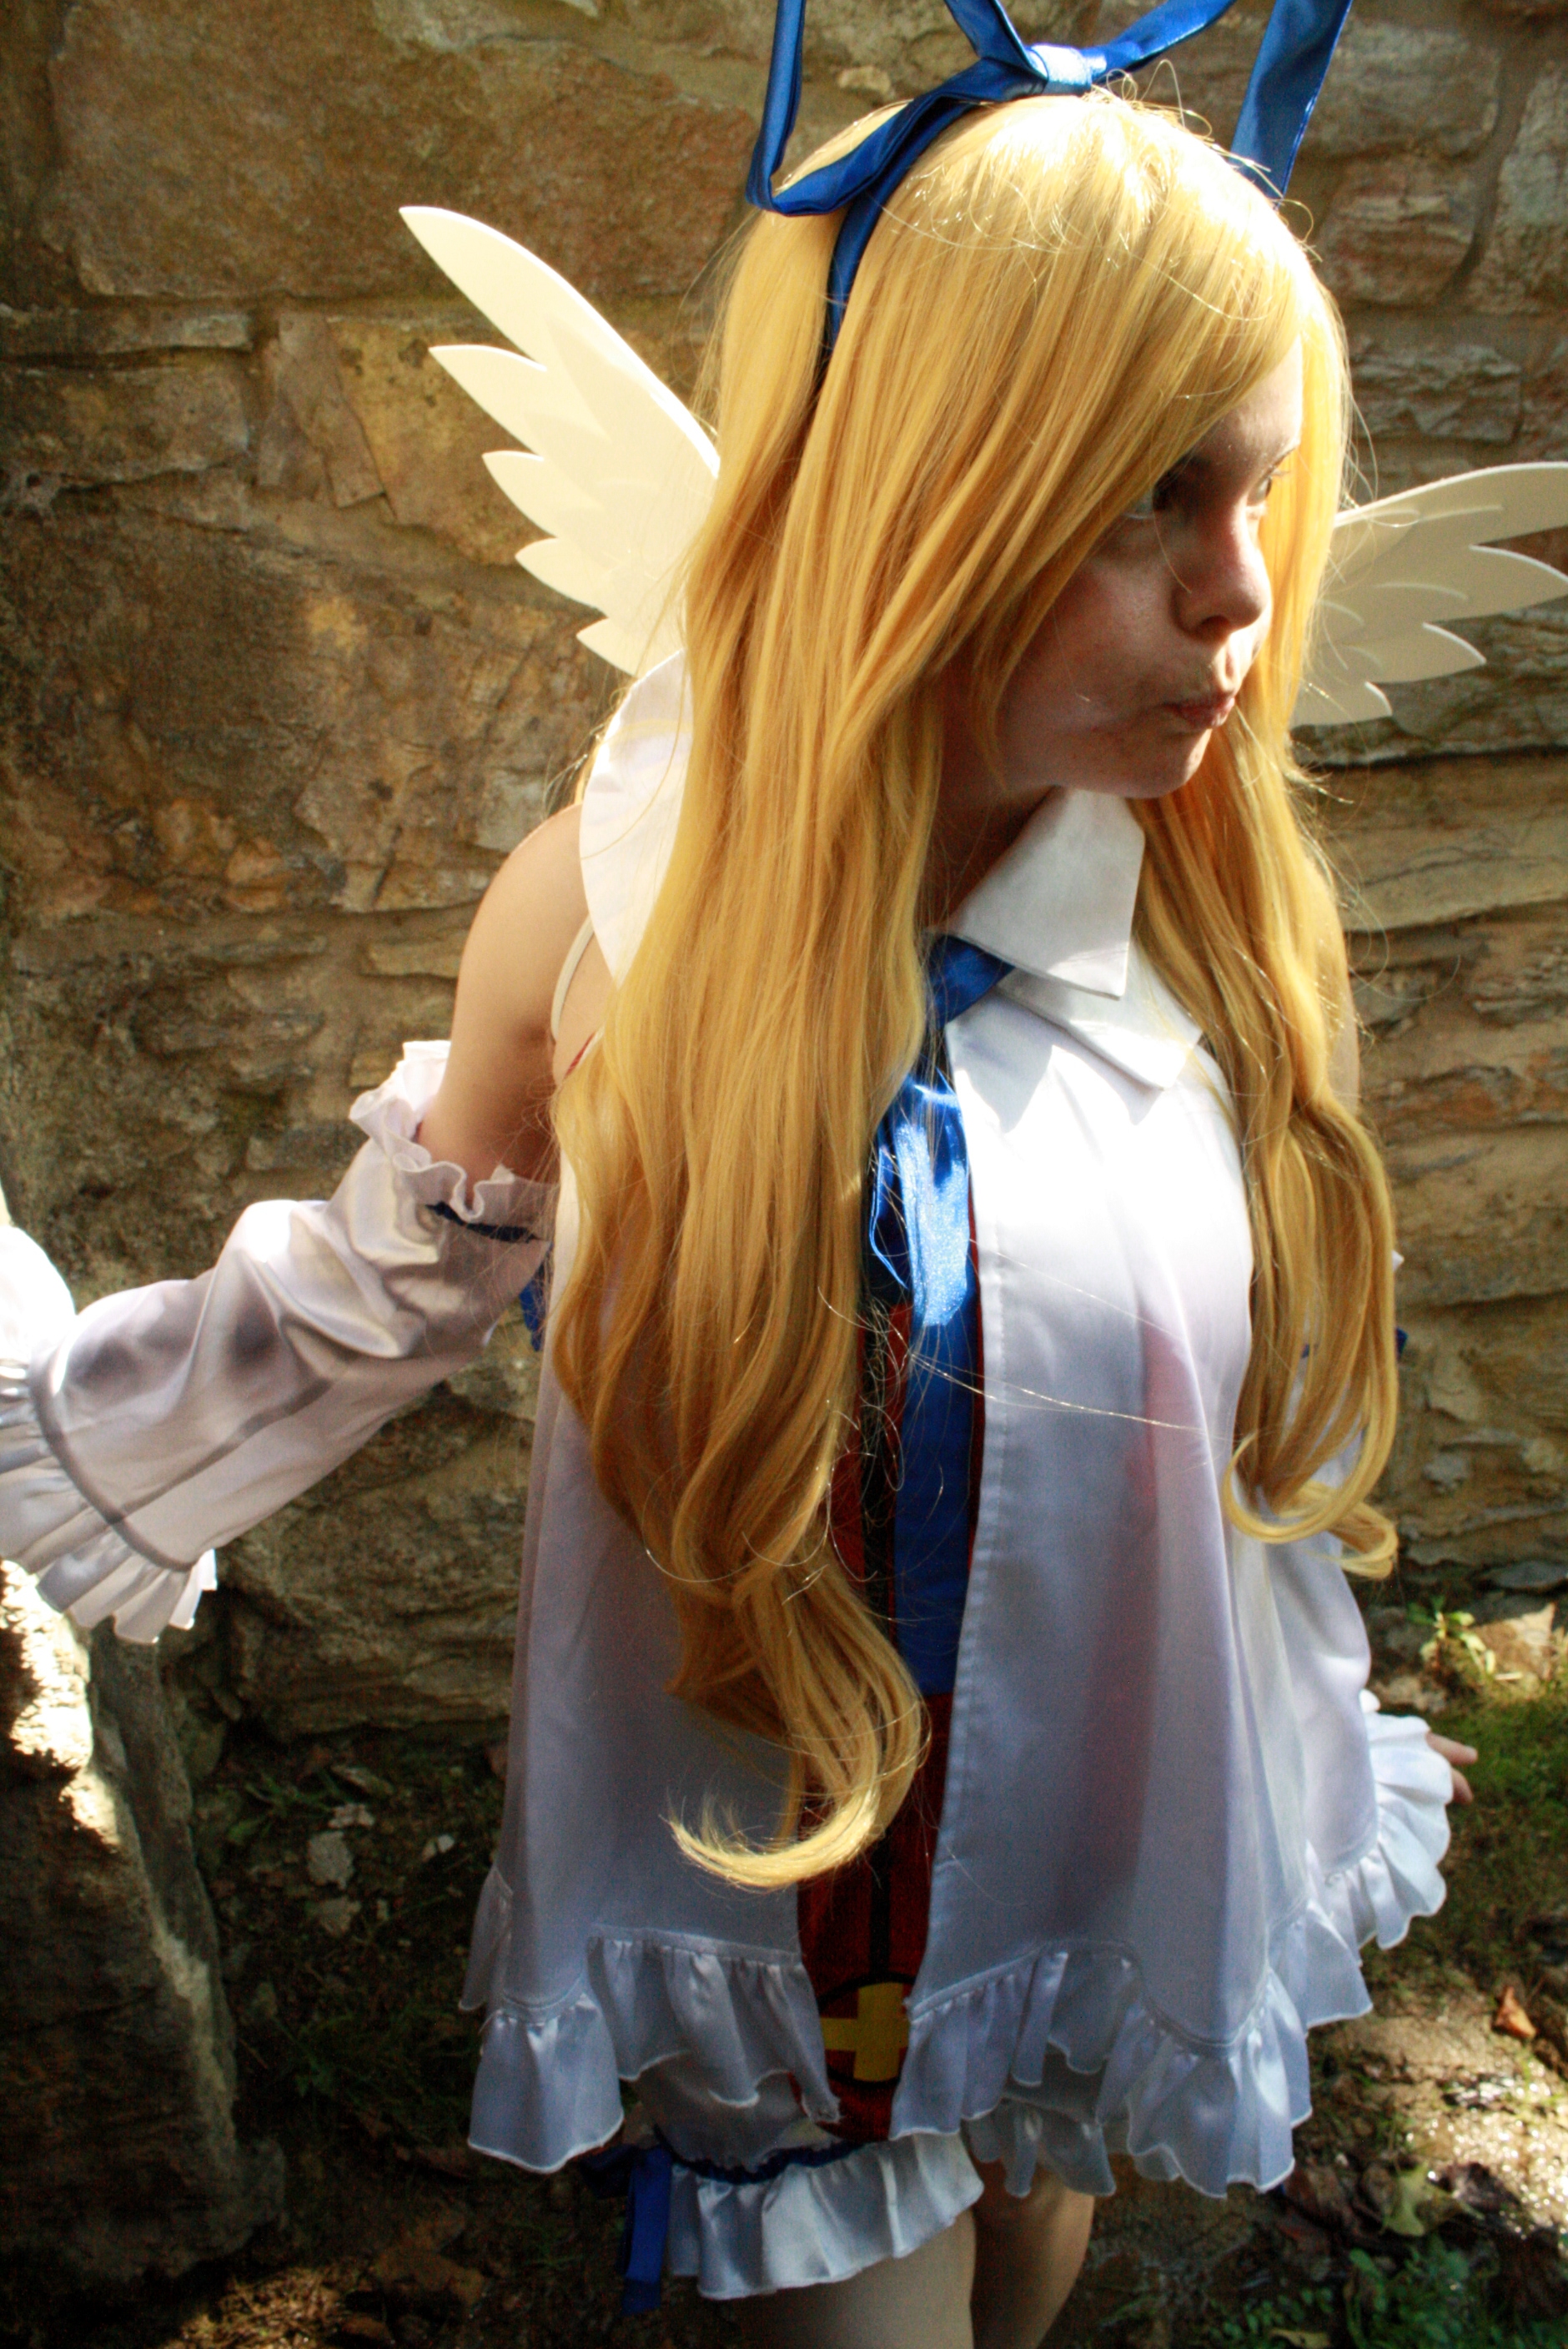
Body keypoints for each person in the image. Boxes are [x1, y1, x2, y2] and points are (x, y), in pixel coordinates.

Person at [0, 50, 1479, 2349]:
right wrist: (59, 1423)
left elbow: (1222, 1457)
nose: (1244, 594)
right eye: (1149, 506)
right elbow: (386, 1289)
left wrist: (1281, 1748)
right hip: (770, 1851)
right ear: (921, 506)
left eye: (1263, 492)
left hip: (1098, 1816)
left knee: (1036, 2205)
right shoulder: (621, 912)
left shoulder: (1206, 923)